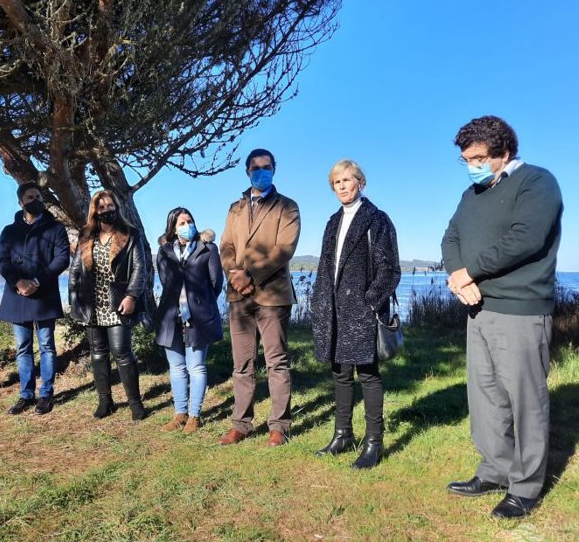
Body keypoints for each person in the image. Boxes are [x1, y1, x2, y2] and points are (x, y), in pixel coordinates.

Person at [441, 115, 563, 520]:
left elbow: (526, 239)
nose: (471, 166)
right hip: (478, 308)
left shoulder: (536, 182)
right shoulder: (470, 195)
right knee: (485, 396)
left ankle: (525, 488)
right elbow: (450, 238)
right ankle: (494, 470)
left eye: (478, 158)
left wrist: (470, 271)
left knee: (526, 400)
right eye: (465, 160)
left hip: (521, 309)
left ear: (504, 152)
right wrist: (458, 277)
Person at [311, 159, 401, 469]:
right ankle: (343, 435)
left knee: (368, 375)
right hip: (334, 310)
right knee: (340, 372)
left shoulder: (377, 219)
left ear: (360, 182)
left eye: (347, 180)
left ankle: (374, 442)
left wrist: (370, 301)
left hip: (362, 310)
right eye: (337, 182)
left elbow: (390, 269)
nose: (342, 186)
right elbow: (325, 266)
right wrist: (320, 301)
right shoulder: (332, 221)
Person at [218, 148, 301, 447]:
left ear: (274, 169)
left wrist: (250, 275)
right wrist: (234, 275)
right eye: (256, 168)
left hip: (272, 295)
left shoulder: (287, 207)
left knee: (276, 363)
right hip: (238, 296)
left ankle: (279, 425)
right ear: (247, 172)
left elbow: (284, 249)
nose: (261, 172)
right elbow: (226, 246)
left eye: (267, 167)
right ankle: (241, 424)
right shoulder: (235, 208)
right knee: (242, 364)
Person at [69, 190, 147, 421]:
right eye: (101, 207)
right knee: (98, 354)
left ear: (116, 207)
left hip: (118, 302)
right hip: (92, 304)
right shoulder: (86, 236)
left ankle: (135, 403)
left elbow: (140, 269)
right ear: (95, 211)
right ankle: (105, 401)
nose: (106, 210)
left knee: (122, 353)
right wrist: (74, 298)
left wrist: (132, 296)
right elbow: (75, 270)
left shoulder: (130, 234)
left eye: (110, 206)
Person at [0, 182, 70, 416]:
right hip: (17, 295)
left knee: (47, 346)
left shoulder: (56, 228)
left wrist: (37, 281)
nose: (35, 200)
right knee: (22, 348)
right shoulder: (9, 231)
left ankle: (46, 394)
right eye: (30, 197)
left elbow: (62, 259)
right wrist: (18, 282)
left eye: (38, 196)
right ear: (21, 202)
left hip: (44, 294)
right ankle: (26, 394)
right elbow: (2, 262)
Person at [153, 207, 223, 434]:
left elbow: (216, 282)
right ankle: (180, 414)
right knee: (176, 368)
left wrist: (199, 303)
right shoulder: (165, 251)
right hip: (170, 315)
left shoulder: (208, 248)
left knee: (196, 367)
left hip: (199, 316)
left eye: (189, 221)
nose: (187, 226)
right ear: (173, 228)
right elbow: (165, 280)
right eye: (181, 223)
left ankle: (194, 416)